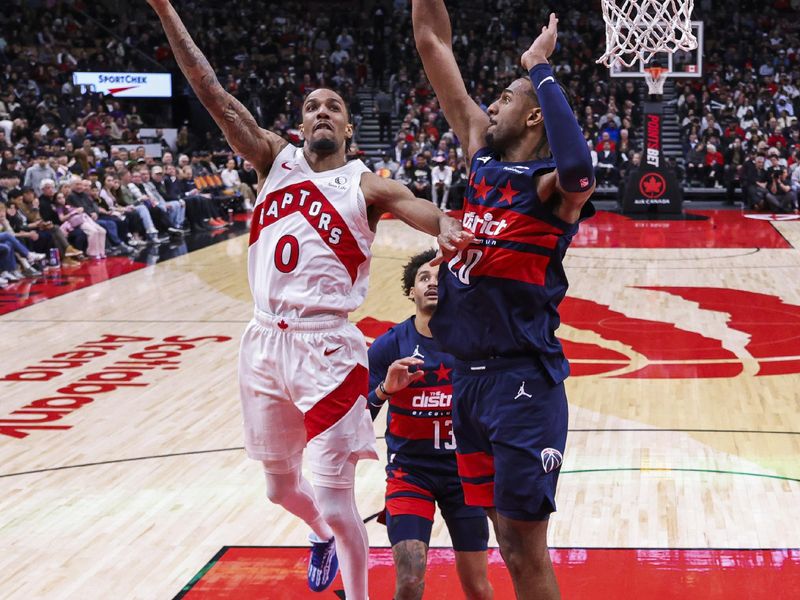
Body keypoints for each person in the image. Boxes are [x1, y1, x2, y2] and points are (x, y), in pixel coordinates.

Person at [146, 2, 472, 598]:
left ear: (349, 128)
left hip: (328, 350)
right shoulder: (277, 161)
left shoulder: (366, 184)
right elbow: (210, 89)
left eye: (334, 106)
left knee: (334, 491)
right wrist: (166, 8)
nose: (321, 112)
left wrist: (447, 226)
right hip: (263, 340)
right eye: (311, 106)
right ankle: (318, 533)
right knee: (277, 489)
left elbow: (426, 212)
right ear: (300, 126)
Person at [413, 5, 595, 599]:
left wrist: (539, 68)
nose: (492, 104)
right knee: (503, 540)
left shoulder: (548, 190)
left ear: (536, 114)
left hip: (523, 383)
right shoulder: (480, 157)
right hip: (467, 382)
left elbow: (579, 170)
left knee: (524, 548)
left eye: (507, 97)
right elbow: (431, 41)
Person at [368, 249, 492, 600]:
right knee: (408, 580)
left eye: (441, 279)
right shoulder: (390, 345)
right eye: (424, 277)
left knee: (478, 588)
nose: (433, 283)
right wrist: (383, 391)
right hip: (411, 474)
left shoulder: (477, 343)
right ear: (411, 290)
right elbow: (356, 415)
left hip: (465, 474)